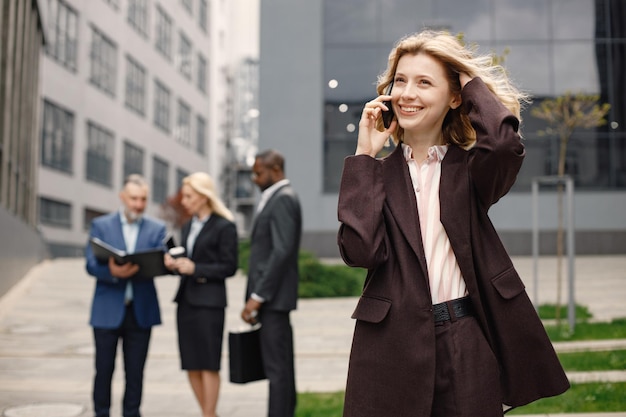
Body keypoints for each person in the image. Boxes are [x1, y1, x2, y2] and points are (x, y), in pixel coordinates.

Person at [337, 30, 570, 417]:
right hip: (392, 345)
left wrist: (468, 81)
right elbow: (360, 252)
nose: (407, 93)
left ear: (455, 96)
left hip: (465, 338)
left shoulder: (471, 172)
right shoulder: (375, 175)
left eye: (424, 82)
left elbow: (501, 144)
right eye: (400, 80)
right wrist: (364, 156)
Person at [85, 174, 167, 417]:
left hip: (140, 311)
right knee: (103, 369)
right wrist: (110, 271)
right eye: (133, 199)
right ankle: (102, 413)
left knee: (135, 372)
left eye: (143, 199)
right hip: (107, 310)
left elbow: (162, 262)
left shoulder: (157, 228)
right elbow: (90, 264)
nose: (138, 205)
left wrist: (167, 262)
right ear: (122, 198)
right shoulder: (101, 225)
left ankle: (132, 413)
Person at [164, 172, 238, 417]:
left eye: (188, 196)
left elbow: (229, 267)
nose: (184, 201)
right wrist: (174, 265)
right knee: (191, 363)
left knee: (208, 363)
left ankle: (208, 414)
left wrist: (196, 268)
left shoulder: (224, 225)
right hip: (186, 301)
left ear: (203, 196)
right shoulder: (187, 227)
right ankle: (209, 414)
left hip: (210, 303)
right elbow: (187, 262)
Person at [240, 149, 302, 417]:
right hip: (272, 299)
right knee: (280, 369)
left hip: (274, 299)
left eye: (258, 172)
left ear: (275, 169)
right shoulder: (273, 198)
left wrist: (258, 296)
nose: (254, 178)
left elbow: (282, 251)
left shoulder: (283, 199)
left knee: (278, 372)